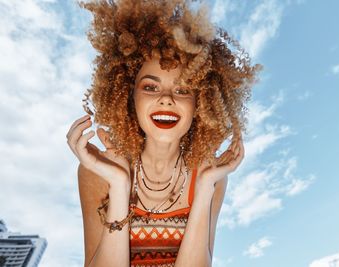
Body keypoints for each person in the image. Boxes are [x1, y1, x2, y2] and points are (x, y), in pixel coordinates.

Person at [66, 0, 261, 266]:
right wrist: (119, 185)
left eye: (182, 90)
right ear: (128, 96)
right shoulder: (97, 170)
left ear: (200, 103)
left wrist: (204, 188)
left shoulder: (210, 175)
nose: (167, 99)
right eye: (150, 87)